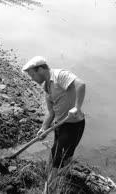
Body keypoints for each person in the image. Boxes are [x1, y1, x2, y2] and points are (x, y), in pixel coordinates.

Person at [22, 56, 85, 189]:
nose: (32, 79)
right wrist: (43, 128)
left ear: (40, 69)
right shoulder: (46, 87)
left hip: (73, 124)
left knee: (58, 157)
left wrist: (77, 107)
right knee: (59, 155)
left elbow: (80, 84)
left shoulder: (59, 75)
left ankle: (51, 187)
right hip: (60, 126)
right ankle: (58, 178)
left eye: (32, 75)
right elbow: (51, 113)